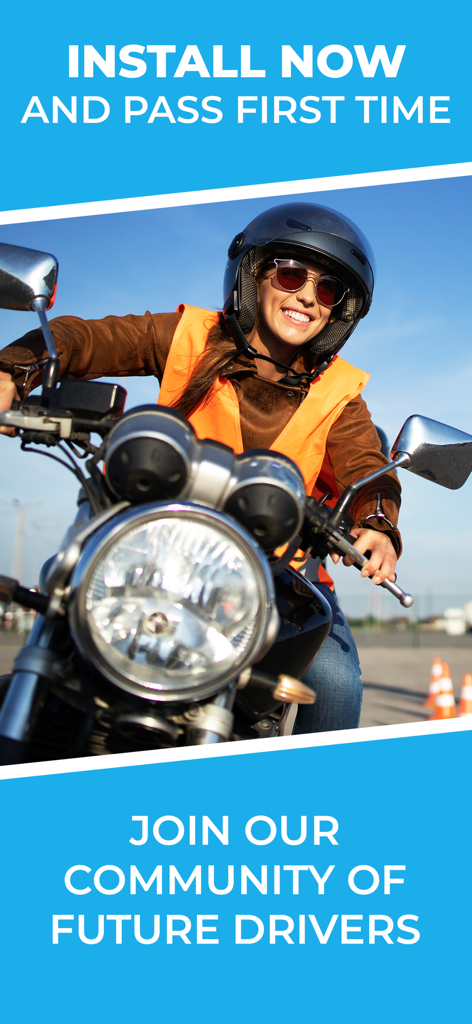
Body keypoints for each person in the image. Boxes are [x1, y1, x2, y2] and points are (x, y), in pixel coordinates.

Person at [0, 202, 401, 732]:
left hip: (276, 579)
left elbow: (367, 465)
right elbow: (86, 337)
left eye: (328, 289)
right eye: (291, 274)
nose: (308, 295)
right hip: (152, 549)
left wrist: (379, 523)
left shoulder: (341, 393)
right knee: (62, 603)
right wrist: (13, 369)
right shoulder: (189, 337)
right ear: (253, 276)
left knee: (334, 680)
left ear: (338, 311)